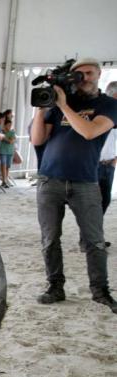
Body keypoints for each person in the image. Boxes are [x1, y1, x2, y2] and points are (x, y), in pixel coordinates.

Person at [30, 57, 117, 313]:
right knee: (49, 239)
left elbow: (89, 132)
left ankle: (101, 291)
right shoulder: (58, 104)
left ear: (99, 75)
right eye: (78, 75)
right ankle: (55, 287)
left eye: (88, 73)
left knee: (94, 241)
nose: (84, 78)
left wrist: (65, 106)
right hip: (49, 180)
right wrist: (41, 107)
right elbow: (37, 139)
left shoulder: (108, 105)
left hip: (85, 182)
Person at [98, 81, 117, 217]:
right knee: (89, 202)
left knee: (105, 200)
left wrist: (115, 159)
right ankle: (89, 236)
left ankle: (94, 236)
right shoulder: (99, 110)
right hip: (93, 164)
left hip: (109, 164)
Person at [0, 119, 16, 188]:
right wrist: (7, 138)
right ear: (5, 125)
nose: (9, 126)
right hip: (3, 151)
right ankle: (4, 181)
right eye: (8, 125)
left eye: (10, 125)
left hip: (10, 151)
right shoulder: (1, 131)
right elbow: (9, 140)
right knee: (3, 165)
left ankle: (6, 179)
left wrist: (4, 137)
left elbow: (11, 141)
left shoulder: (12, 132)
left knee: (8, 166)